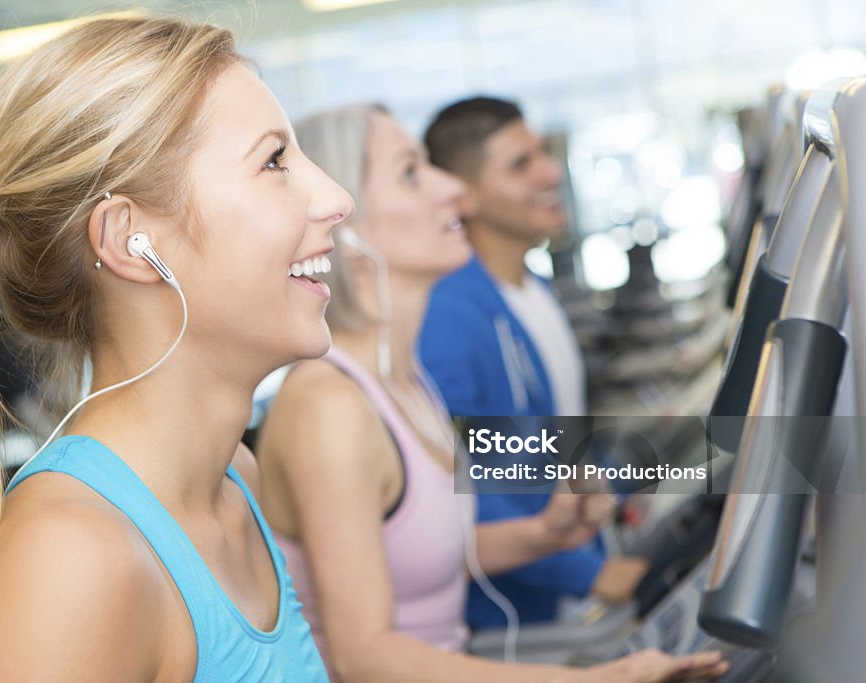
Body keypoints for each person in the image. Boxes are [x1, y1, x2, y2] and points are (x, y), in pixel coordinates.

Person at [0, 16, 354, 682]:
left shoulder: (233, 480)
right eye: (275, 161)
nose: (337, 199)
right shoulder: (68, 561)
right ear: (131, 241)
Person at [256, 103, 727, 682]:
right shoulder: (332, 406)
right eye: (411, 172)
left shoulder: (403, 379)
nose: (453, 188)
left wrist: (541, 535)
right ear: (345, 224)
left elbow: (414, 552)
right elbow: (363, 657)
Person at [420, 96, 648, 628]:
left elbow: (554, 446)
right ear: (465, 194)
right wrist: (582, 573)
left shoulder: (535, 290)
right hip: (511, 618)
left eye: (542, 154)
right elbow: (462, 480)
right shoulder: (448, 314)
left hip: (571, 572)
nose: (549, 171)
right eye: (521, 164)